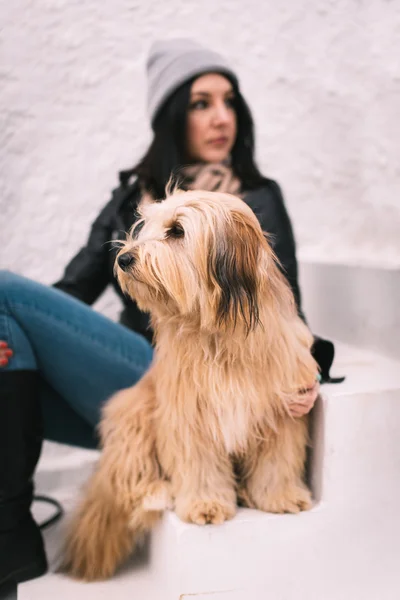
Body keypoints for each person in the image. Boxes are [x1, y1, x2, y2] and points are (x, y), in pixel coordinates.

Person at [0, 38, 341, 588]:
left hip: (184, 366)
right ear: (172, 115)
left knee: (1, 298)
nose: (221, 118)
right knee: (6, 316)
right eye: (202, 103)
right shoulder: (131, 196)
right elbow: (73, 291)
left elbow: (286, 306)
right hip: (141, 366)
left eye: (229, 102)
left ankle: (7, 536)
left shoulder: (257, 198)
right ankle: (7, 531)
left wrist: (312, 363)